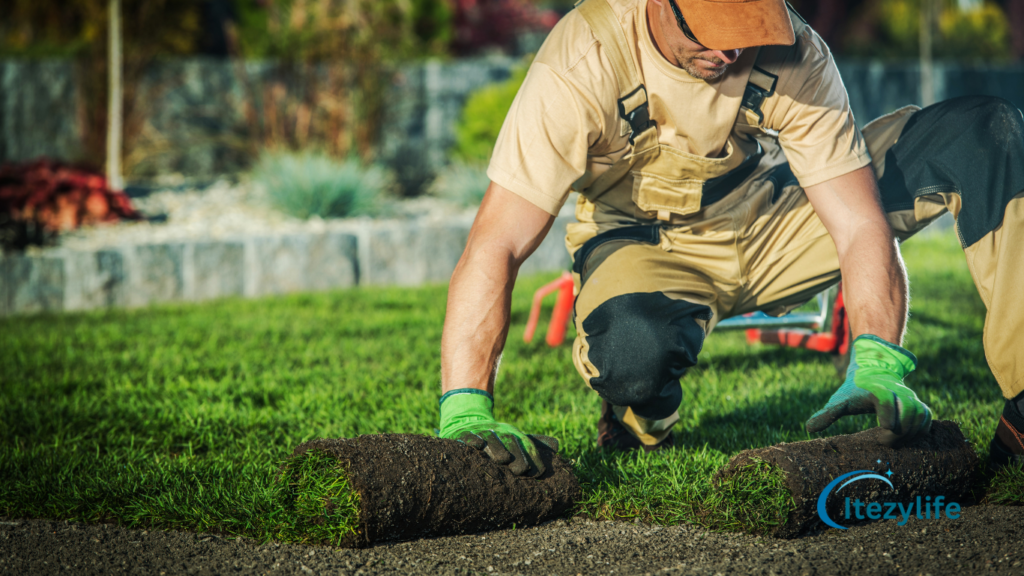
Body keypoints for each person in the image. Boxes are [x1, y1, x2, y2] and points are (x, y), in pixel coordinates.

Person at [435, 0, 1024, 477]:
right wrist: (465, 405)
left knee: (983, 132)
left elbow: (857, 223)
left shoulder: (796, 51)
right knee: (633, 356)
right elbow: (498, 242)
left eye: (745, 29)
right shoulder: (583, 58)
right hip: (646, 242)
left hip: (771, 214)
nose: (729, 51)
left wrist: (875, 360)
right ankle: (641, 415)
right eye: (711, 31)